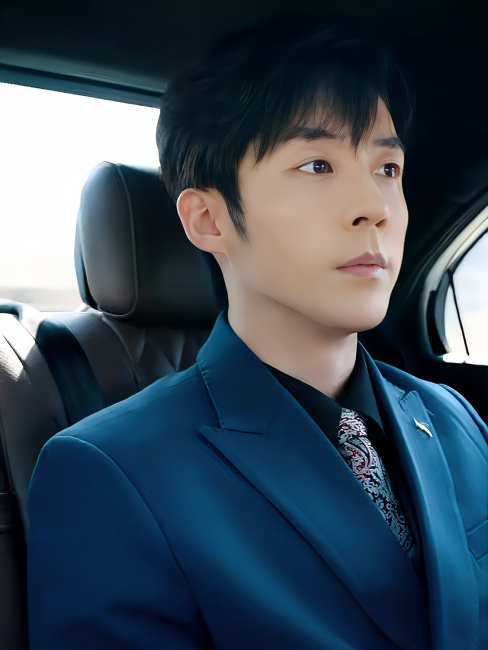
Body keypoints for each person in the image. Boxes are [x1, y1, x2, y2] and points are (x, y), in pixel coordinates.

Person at [27, 12, 488, 650]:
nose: (375, 208)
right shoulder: (108, 473)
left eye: (387, 169)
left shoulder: (454, 418)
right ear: (209, 220)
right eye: (317, 165)